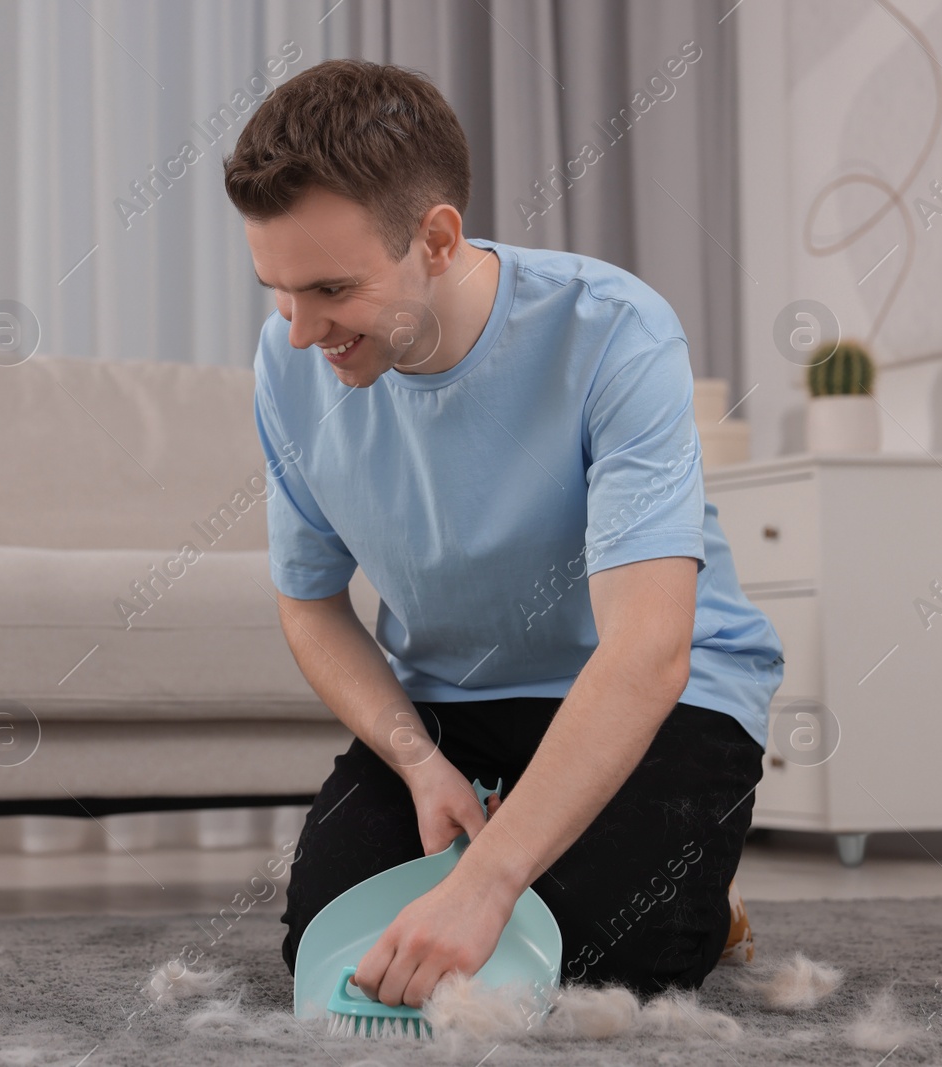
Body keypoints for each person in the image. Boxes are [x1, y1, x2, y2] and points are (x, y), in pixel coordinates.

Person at [221, 58, 784, 1008]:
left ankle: (701, 898)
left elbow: (648, 651)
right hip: (455, 708)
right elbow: (309, 600)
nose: (303, 329)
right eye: (277, 289)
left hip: (649, 700)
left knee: (603, 956)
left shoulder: (614, 333)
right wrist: (416, 758)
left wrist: (486, 884)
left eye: (329, 288)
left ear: (436, 238)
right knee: (330, 944)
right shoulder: (288, 361)